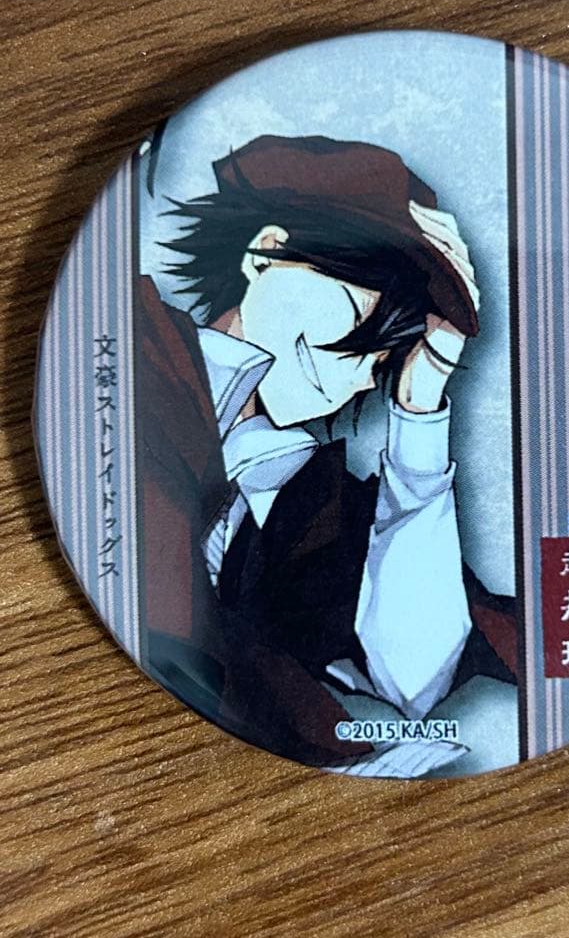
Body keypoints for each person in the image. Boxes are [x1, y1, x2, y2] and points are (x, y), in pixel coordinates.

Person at [138, 134, 517, 775]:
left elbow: (412, 682)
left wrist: (420, 407)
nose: (357, 374)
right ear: (266, 252)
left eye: (381, 357)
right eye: (355, 316)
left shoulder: (308, 491)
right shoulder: (132, 348)